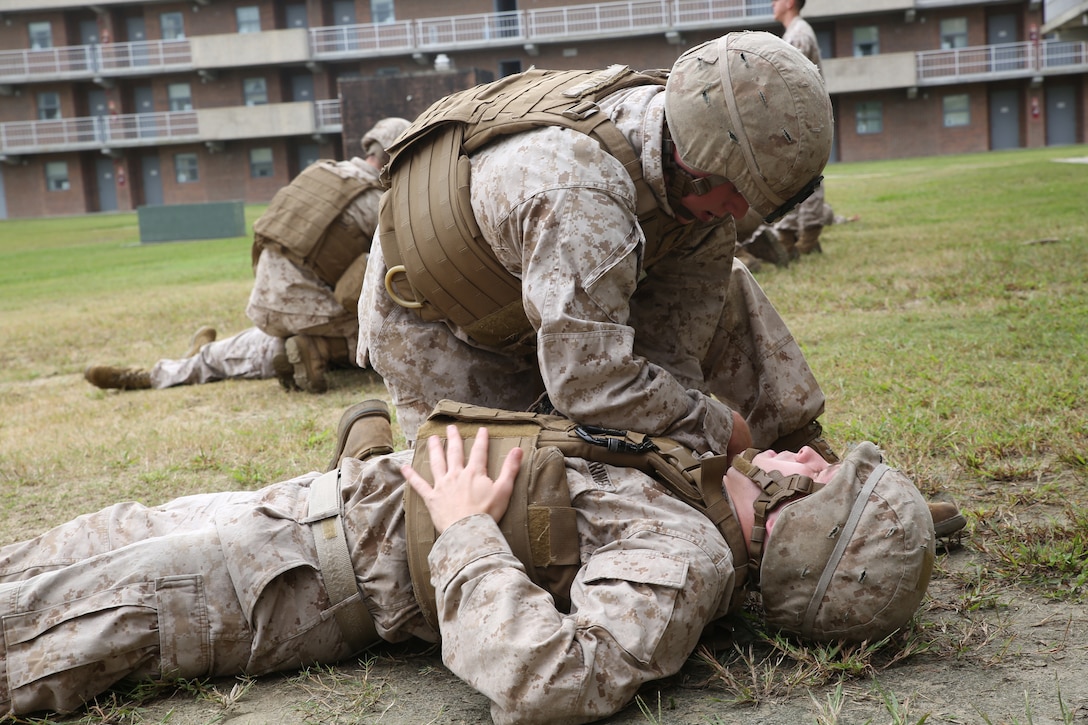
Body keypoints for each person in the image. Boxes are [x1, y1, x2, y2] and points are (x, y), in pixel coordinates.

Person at [0, 400, 948, 722]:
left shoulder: (688, 554)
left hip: (292, 578)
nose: (810, 453)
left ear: (800, 529)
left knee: (38, 625)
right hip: (299, 512)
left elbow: (552, 679)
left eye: (825, 476)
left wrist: (462, 529)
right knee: (36, 560)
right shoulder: (690, 483)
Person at [359, 31, 837, 464]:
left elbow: (671, 353)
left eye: (753, 198)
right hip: (442, 319)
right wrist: (715, 427)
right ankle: (365, 454)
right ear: (695, 161)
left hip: (543, 272)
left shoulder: (694, 172)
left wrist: (692, 442)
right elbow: (588, 385)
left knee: (728, 286)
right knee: (513, 484)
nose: (739, 210)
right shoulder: (581, 193)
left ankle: (800, 448)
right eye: (736, 190)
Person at [83, 117, 411, 394]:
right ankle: (319, 350)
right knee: (399, 332)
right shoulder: (377, 203)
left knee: (264, 347)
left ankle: (173, 369)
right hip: (312, 310)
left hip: (267, 303)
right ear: (395, 158)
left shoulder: (320, 173)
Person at [769, 0, 848, 258]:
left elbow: (790, 80)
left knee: (807, 177)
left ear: (790, 3)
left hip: (804, 119)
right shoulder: (793, 32)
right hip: (798, 119)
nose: (772, 2)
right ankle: (789, 235)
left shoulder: (799, 34)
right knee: (795, 177)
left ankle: (809, 236)